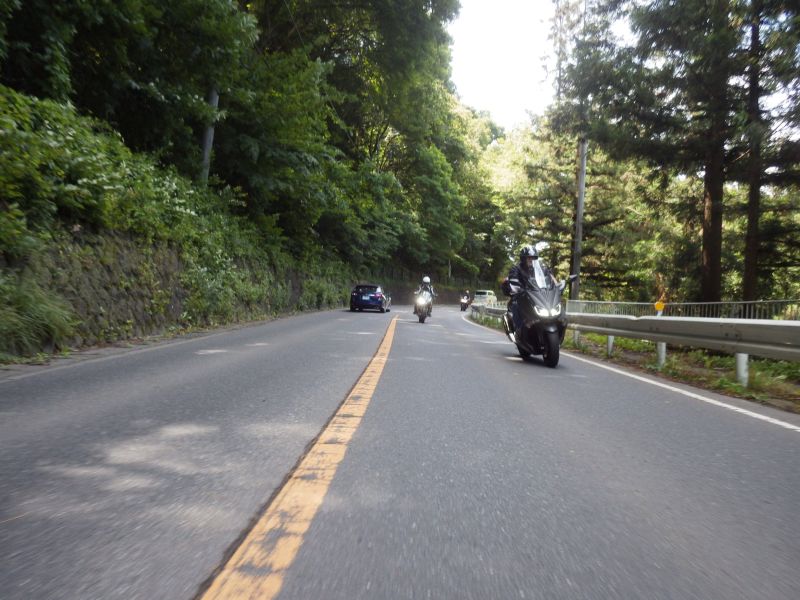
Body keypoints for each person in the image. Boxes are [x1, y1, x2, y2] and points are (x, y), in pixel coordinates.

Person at [504, 245, 555, 332]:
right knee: (516, 304)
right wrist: (517, 287)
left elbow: (551, 279)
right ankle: (519, 330)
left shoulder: (542, 269)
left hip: (538, 296)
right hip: (522, 296)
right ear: (523, 259)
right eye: (529, 258)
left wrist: (557, 287)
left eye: (534, 258)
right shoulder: (516, 269)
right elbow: (513, 280)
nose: (531, 260)